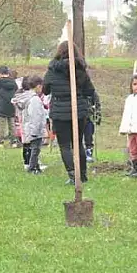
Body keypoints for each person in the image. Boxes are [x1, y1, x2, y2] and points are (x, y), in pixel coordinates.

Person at [43, 40, 96, 186]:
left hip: (61, 110)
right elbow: (90, 90)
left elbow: (45, 89)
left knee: (65, 145)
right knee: (78, 143)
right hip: (78, 110)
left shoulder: (53, 69)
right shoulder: (80, 69)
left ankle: (74, 175)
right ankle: (82, 174)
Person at [14, 76, 48, 174]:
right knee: (35, 150)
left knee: (34, 149)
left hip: (30, 127)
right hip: (34, 129)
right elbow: (36, 116)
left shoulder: (28, 98)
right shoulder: (35, 100)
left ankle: (35, 166)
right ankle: (32, 168)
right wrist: (36, 130)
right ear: (38, 86)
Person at [0, 66, 19, 147]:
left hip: (1, 106)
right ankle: (14, 141)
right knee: (12, 125)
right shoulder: (13, 82)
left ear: (0, 73)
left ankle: (1, 142)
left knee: (1, 126)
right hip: (11, 105)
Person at [83, 89, 101, 162]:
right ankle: (78, 154)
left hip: (88, 118)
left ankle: (89, 153)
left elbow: (97, 104)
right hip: (77, 117)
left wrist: (98, 116)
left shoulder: (91, 91)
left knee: (89, 136)